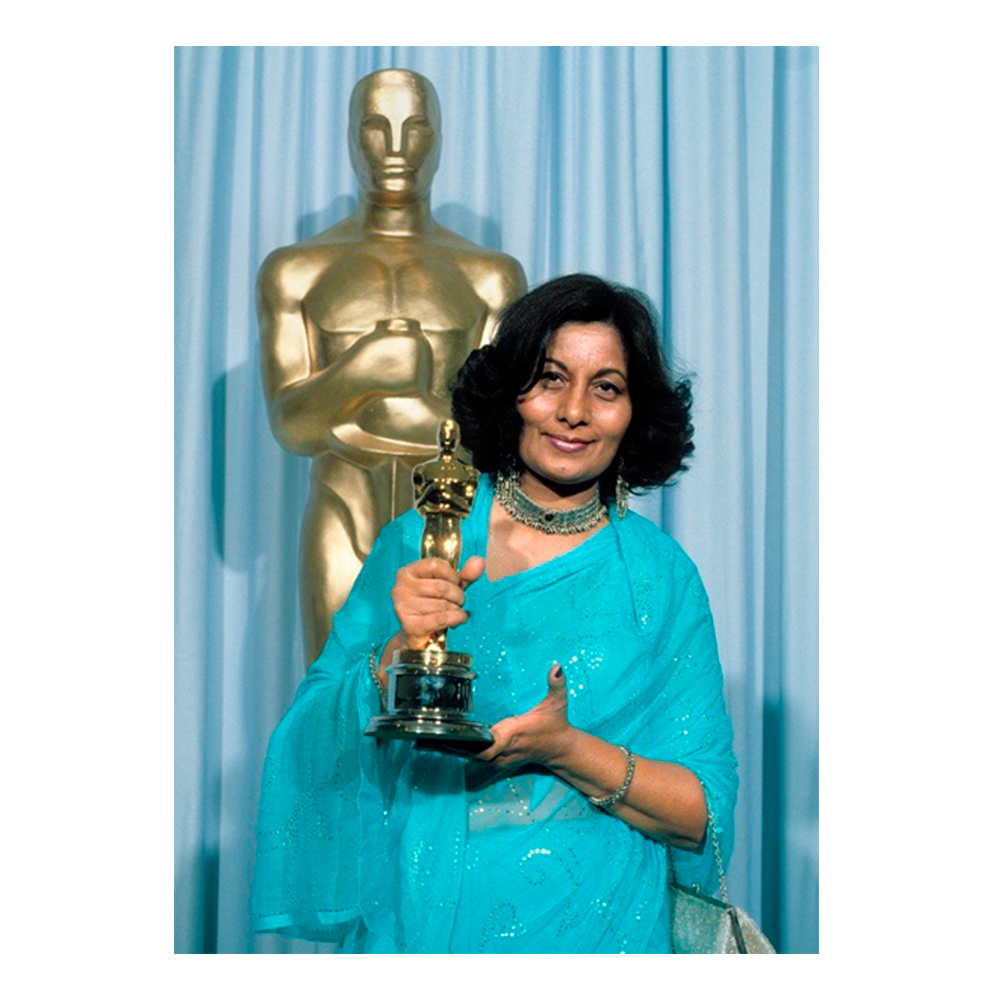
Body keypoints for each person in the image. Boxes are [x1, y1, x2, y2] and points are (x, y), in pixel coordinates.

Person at [250, 274, 738, 953]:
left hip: (605, 936)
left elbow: (701, 814)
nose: (573, 411)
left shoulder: (660, 578)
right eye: (550, 378)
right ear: (511, 390)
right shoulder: (423, 541)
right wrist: (392, 659)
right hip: (423, 927)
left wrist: (567, 750)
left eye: (606, 388)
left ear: (635, 413)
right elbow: (308, 740)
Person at [257, 68, 525, 660]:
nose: (396, 148)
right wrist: (366, 369)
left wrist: (362, 413)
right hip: (342, 513)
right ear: (352, 137)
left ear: (439, 139)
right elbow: (291, 426)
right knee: (333, 694)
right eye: (377, 127)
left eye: (415, 128)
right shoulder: (297, 270)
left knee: (450, 699)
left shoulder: (489, 276)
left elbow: (501, 434)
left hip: (452, 526)